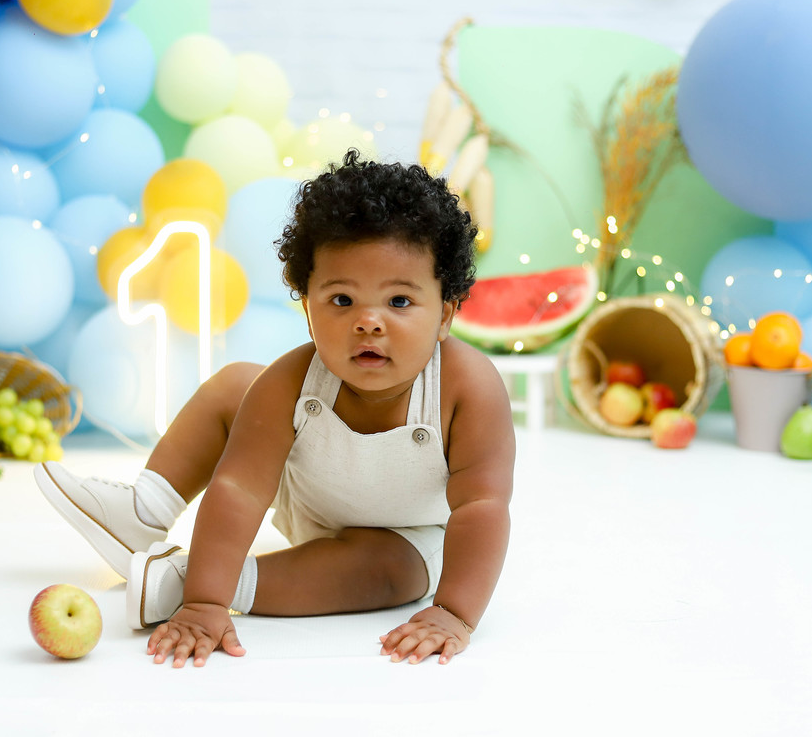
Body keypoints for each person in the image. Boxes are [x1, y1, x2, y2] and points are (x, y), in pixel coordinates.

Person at [35, 149, 516, 667]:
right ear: (307, 308)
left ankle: (182, 581)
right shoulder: (291, 381)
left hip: (404, 534)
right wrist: (204, 607)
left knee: (390, 574)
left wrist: (455, 612)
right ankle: (145, 511)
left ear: (445, 314)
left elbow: (481, 506)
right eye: (341, 300)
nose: (368, 322)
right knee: (237, 384)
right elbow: (239, 489)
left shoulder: (467, 389)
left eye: (399, 302)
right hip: (303, 490)